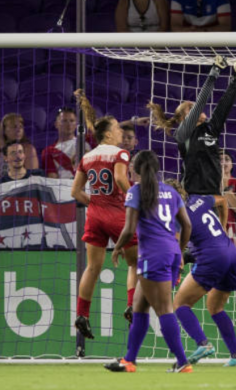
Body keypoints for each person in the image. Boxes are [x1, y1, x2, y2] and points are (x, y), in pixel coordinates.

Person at [105, 151, 193, 373]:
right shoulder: (171, 191)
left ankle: (182, 361)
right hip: (170, 253)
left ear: (135, 169)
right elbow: (187, 226)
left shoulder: (136, 191)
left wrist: (116, 248)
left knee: (164, 309)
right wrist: (179, 251)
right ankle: (129, 360)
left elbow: (128, 229)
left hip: (152, 255)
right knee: (139, 306)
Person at [71, 96, 138, 339]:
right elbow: (120, 178)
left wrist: (96, 203)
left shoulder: (87, 157)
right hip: (117, 214)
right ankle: (132, 306)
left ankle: (82, 315)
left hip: (95, 215)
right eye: (118, 128)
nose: (121, 131)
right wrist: (134, 196)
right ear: (108, 135)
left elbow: (75, 192)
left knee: (92, 268)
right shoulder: (119, 154)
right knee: (135, 263)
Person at [165, 178, 236, 367]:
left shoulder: (176, 215)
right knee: (215, 307)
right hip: (231, 253)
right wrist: (224, 229)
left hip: (211, 257)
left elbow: (177, 246)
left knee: (180, 303)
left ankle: (203, 344)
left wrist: (176, 266)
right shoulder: (198, 200)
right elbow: (223, 201)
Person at [148, 55, 236, 196]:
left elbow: (224, 106)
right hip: (191, 194)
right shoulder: (182, 134)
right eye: (191, 107)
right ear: (183, 118)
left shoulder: (210, 128)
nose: (196, 107)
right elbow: (202, 101)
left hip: (214, 193)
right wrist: (214, 72)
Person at [0, 113, 39, 186]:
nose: (19, 130)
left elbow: (33, 178)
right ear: (4, 130)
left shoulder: (29, 149)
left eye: (21, 126)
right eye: (14, 127)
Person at [41, 107, 91, 179]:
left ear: (76, 124)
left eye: (72, 121)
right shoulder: (49, 151)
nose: (69, 124)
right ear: (56, 124)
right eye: (64, 121)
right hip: (66, 187)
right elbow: (52, 179)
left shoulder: (87, 140)